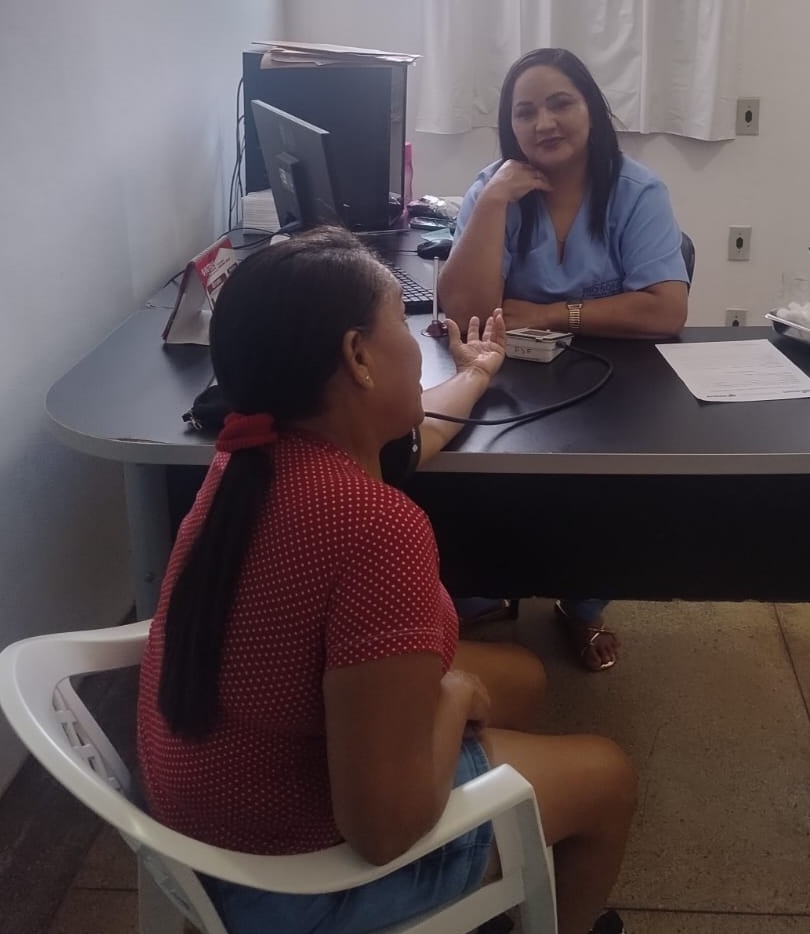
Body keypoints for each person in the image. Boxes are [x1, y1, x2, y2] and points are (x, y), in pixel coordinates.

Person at [136, 228, 636, 934]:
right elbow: (382, 829)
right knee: (608, 775)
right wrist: (450, 699)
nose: (418, 346)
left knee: (522, 676)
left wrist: (479, 370)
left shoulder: (247, 458)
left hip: (199, 832)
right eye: (402, 323)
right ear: (358, 357)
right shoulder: (375, 528)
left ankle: (495, 872)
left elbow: (417, 434)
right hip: (291, 886)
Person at [438, 48, 691, 673]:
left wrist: (552, 313)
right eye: (525, 112)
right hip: (506, 372)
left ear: (591, 111)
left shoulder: (636, 192)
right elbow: (464, 310)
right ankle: (480, 591)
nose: (543, 123)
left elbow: (666, 310)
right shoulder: (493, 189)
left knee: (599, 487)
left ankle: (582, 604)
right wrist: (492, 203)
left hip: (613, 379)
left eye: (560, 104)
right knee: (465, 469)